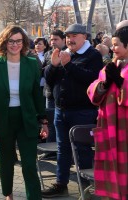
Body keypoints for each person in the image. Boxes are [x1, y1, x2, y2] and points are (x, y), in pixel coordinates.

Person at [0, 25, 49, 200]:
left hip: (26, 119)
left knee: (29, 164)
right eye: (11, 41)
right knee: (6, 163)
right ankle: (8, 195)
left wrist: (44, 121)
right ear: (4, 42)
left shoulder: (31, 64)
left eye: (18, 41)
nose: (15, 44)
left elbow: (36, 94)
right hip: (3, 119)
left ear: (24, 43)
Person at [42, 24, 103, 198]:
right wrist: (53, 66)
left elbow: (91, 79)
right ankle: (61, 184)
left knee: (82, 150)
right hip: (60, 110)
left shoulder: (93, 55)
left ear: (84, 37)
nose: (70, 39)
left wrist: (68, 65)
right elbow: (49, 80)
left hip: (82, 111)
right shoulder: (62, 54)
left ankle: (87, 188)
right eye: (67, 36)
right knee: (63, 149)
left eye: (74, 35)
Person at [87, 25, 128, 200]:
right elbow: (92, 91)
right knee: (111, 170)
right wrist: (104, 85)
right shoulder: (109, 67)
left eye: (116, 44)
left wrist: (121, 83)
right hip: (109, 128)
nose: (112, 48)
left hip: (124, 130)